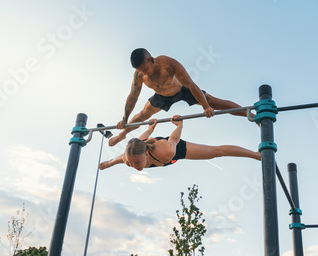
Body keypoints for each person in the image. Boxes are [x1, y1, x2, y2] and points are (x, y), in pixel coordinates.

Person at [108, 48, 252, 146]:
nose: (144, 73)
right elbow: (133, 97)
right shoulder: (139, 75)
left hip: (182, 90)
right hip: (162, 95)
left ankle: (250, 115)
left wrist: (205, 106)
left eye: (145, 69)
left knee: (216, 103)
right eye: (141, 71)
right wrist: (124, 118)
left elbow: (190, 84)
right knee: (142, 115)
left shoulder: (169, 65)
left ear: (151, 60)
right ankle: (122, 135)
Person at [99, 116, 261, 171]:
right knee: (121, 157)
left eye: (137, 163)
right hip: (147, 143)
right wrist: (107, 163)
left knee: (217, 152)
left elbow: (174, 139)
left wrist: (179, 125)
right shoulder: (129, 159)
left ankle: (256, 155)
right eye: (132, 163)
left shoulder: (166, 151)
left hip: (174, 149)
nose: (135, 166)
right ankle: (109, 163)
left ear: (146, 154)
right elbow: (118, 158)